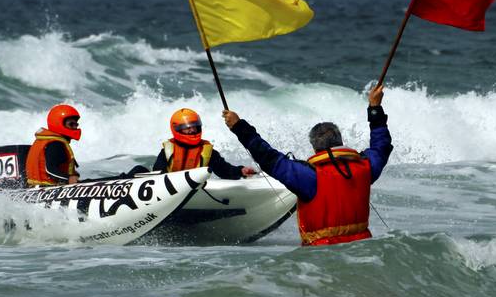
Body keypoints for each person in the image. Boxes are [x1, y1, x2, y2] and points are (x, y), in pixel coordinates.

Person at [222, 86, 393, 246]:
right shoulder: (364, 168)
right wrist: (375, 108)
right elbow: (381, 146)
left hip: (320, 262)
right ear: (340, 142)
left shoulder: (310, 177)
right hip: (362, 254)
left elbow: (267, 157)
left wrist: (239, 127)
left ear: (314, 147)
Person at [153, 108, 256, 179]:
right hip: (170, 192)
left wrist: (241, 171)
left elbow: (225, 171)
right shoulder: (167, 152)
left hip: (196, 192)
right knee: (138, 169)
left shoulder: (207, 152)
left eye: (195, 126)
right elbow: (157, 176)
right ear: (177, 129)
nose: (192, 130)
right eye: (188, 128)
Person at [25, 104, 82, 187]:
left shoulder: (50, 141)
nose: (75, 128)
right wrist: (68, 179)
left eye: (76, 125)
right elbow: (50, 170)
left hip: (40, 187)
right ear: (59, 123)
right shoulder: (55, 144)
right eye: (71, 124)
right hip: (45, 188)